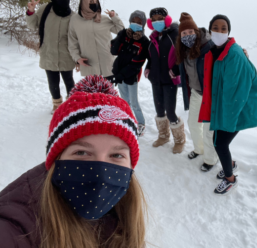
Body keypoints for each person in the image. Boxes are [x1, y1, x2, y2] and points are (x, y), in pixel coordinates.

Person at [0, 75, 147, 248]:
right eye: (82, 152)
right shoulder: (17, 224)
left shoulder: (125, 211)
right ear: (57, 158)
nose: (100, 173)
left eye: (116, 156)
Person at [199, 15, 257, 195]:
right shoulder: (216, 49)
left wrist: (225, 120)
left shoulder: (233, 55)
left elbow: (235, 95)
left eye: (223, 28)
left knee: (219, 143)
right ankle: (231, 164)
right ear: (210, 29)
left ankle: (230, 179)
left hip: (238, 109)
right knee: (219, 141)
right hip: (230, 107)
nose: (219, 31)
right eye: (216, 28)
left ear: (228, 32)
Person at [176, 12, 218, 172]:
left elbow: (225, 49)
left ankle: (210, 159)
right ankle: (199, 149)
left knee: (209, 130)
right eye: (184, 33)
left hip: (210, 95)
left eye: (190, 31)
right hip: (195, 93)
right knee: (193, 124)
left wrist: (241, 51)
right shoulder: (184, 49)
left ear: (196, 31)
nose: (188, 35)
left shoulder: (209, 45)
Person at [26, 0, 75, 113]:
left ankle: (72, 105)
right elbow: (32, 25)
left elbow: (77, 38)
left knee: (69, 81)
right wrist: (31, 11)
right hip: (49, 53)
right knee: (53, 82)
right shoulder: (45, 10)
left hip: (66, 55)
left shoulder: (73, 16)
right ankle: (57, 105)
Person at [145, 7, 185, 154]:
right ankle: (163, 136)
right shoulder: (154, 36)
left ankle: (179, 140)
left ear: (166, 19)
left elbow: (182, 55)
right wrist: (148, 68)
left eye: (159, 18)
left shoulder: (175, 34)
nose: (157, 22)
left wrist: (176, 70)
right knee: (159, 110)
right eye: (154, 20)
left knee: (171, 112)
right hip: (156, 80)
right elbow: (151, 57)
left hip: (169, 80)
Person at [106, 10, 150, 137]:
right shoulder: (124, 35)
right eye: (133, 21)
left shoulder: (144, 41)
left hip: (131, 76)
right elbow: (114, 51)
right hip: (119, 73)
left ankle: (141, 123)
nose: (136, 24)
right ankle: (126, 118)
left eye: (139, 22)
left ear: (143, 25)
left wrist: (122, 75)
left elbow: (137, 63)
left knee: (134, 102)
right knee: (125, 101)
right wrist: (120, 36)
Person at [68, 0, 124, 77]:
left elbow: (121, 31)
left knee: (108, 90)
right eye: (91, 1)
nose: (94, 4)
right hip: (89, 67)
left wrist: (114, 17)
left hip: (107, 66)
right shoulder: (75, 20)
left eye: (96, 1)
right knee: (92, 90)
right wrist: (77, 58)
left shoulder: (103, 19)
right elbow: (72, 43)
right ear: (84, 2)